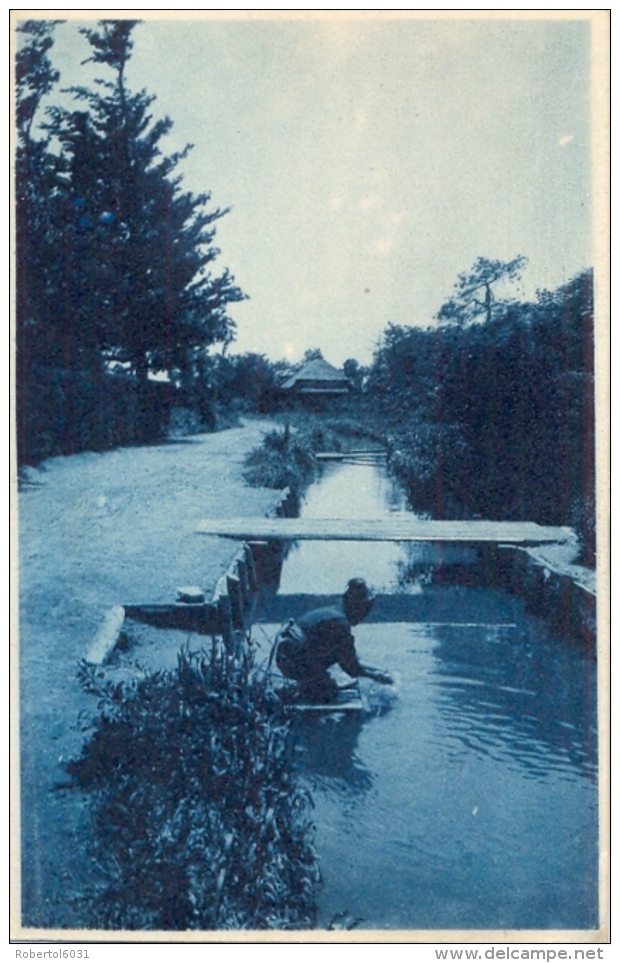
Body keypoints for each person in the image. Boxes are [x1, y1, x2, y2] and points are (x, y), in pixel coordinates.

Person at [274, 578, 393, 703]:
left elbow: (353, 660)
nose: (363, 616)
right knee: (330, 693)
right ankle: (310, 693)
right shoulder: (340, 624)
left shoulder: (333, 613)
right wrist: (377, 677)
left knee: (330, 677)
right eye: (364, 610)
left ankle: (308, 686)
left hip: (286, 658)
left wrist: (379, 671)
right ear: (356, 607)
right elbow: (351, 668)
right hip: (293, 662)